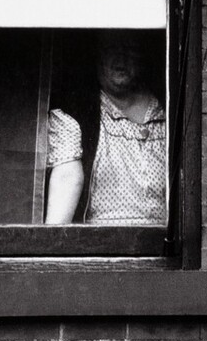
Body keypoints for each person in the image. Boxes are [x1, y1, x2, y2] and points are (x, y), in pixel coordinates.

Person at [45, 33, 166, 225]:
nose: (121, 58)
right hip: (103, 247)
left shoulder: (168, 112)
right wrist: (51, 247)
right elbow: (66, 178)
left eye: (130, 49)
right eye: (111, 49)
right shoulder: (76, 116)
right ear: (97, 55)